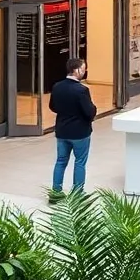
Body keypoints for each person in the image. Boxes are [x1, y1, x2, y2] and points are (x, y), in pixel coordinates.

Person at [49, 57, 97, 201]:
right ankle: (77, 193)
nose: (84, 71)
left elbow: (52, 106)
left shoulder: (57, 86)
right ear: (76, 70)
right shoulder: (82, 90)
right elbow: (89, 111)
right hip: (80, 132)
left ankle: (56, 192)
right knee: (80, 161)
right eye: (83, 69)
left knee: (61, 161)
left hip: (62, 131)